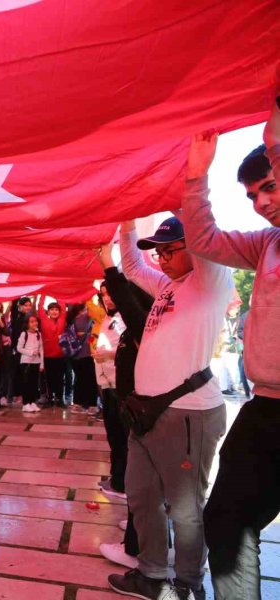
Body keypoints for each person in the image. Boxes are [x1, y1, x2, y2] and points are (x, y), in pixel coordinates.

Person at [181, 95, 280, 599]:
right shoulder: (266, 245)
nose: (261, 202)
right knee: (225, 520)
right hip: (268, 409)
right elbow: (203, 238)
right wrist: (197, 177)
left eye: (270, 185)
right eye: (252, 195)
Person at [108, 215, 232, 600]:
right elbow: (132, 266)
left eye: (170, 249)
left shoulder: (210, 283)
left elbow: (200, 227)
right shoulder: (167, 286)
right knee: (141, 495)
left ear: (195, 247)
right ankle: (152, 574)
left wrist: (176, 182)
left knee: (185, 508)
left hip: (188, 414)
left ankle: (188, 583)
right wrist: (128, 222)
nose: (161, 258)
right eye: (158, 251)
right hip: (146, 415)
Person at [95, 240, 154, 572]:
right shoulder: (136, 324)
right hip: (132, 404)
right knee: (139, 476)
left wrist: (108, 262)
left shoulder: (142, 324)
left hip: (145, 410)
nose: (109, 298)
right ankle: (140, 531)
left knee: (144, 479)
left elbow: (127, 297)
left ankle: (137, 547)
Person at [92, 282, 127, 500]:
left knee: (123, 438)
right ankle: (116, 477)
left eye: (111, 293)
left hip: (121, 386)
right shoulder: (108, 318)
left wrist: (109, 355)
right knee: (114, 436)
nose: (108, 299)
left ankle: (122, 483)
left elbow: (130, 349)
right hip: (108, 386)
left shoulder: (127, 318)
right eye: (104, 294)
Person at [66, 302, 98, 416]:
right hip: (87, 353)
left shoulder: (71, 319)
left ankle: (78, 403)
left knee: (79, 379)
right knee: (90, 379)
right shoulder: (85, 318)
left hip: (75, 354)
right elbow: (95, 310)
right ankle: (92, 405)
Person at [38, 300, 67, 406]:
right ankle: (49, 399)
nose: (54, 312)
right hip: (47, 355)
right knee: (48, 379)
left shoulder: (62, 319)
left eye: (56, 310)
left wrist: (57, 291)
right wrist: (44, 291)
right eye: (52, 309)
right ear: (48, 312)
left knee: (60, 378)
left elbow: (63, 305)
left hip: (60, 355)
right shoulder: (44, 319)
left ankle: (60, 399)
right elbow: (40, 306)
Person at [16, 314, 44, 412]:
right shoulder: (24, 334)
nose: (34, 323)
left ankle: (32, 402)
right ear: (27, 324)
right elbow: (19, 348)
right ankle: (25, 403)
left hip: (35, 362)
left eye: (35, 321)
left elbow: (41, 348)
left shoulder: (38, 334)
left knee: (34, 383)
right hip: (26, 362)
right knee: (26, 383)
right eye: (31, 321)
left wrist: (41, 363)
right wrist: (30, 352)